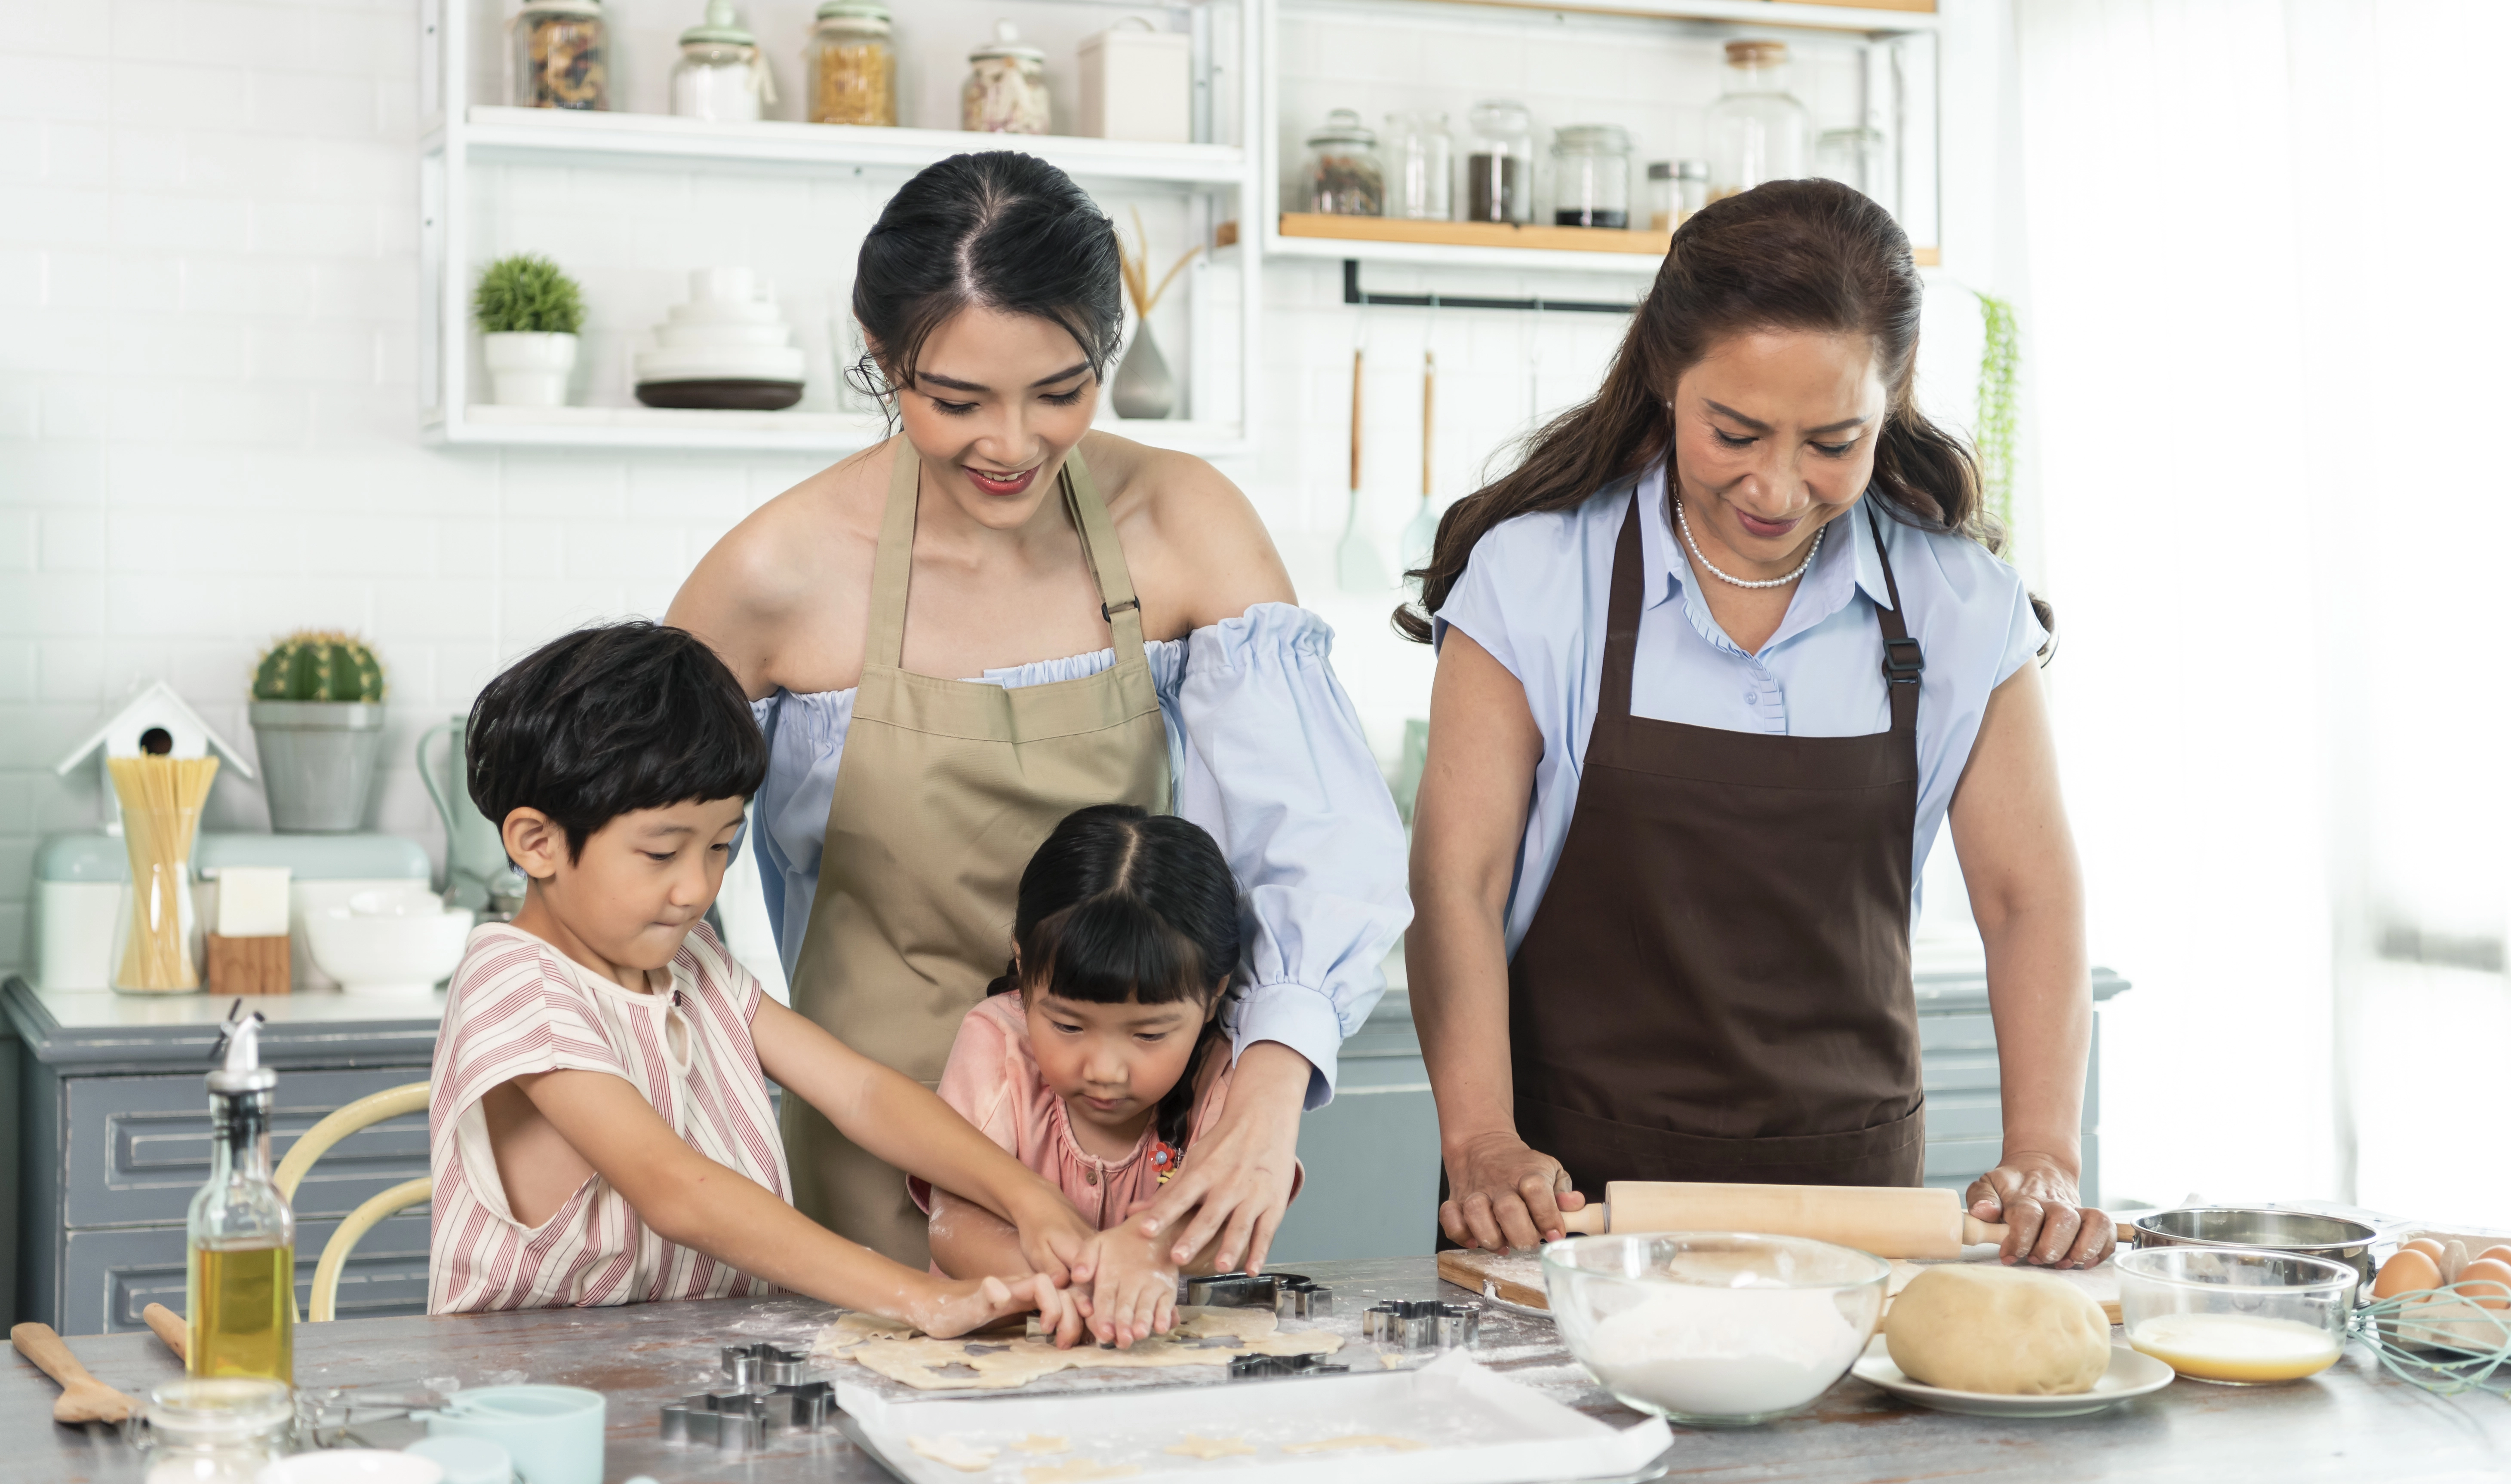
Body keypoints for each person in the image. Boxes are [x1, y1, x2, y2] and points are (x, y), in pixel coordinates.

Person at [667, 152, 1408, 1313]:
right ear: (877, 356)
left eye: (1057, 392)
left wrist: (1265, 1084)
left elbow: (1313, 834)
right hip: (877, 1171)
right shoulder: (775, 577)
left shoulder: (1178, 521)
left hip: (1133, 1176)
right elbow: (637, 890)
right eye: (954, 400)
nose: (1008, 445)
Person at [1402, 179, 2111, 1269]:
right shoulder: (1538, 578)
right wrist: (1481, 1138)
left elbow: (2028, 899)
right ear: (1663, 379)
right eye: (1734, 432)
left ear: (1891, 402)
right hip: (1568, 1214)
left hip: (1849, 1220)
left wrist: (2045, 1152)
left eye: (1834, 442)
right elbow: (1458, 883)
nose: (1777, 489)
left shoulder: (1958, 604)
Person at [426, 621, 1094, 1340]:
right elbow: (675, 1190)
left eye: (721, 846)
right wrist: (916, 1297)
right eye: (661, 853)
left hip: (689, 1354)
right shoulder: (514, 980)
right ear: (538, 842)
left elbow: (861, 1092)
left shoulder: (692, 962)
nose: (694, 888)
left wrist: (1029, 1198)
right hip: (534, 1384)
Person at [922, 804, 1297, 1346]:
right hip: (1001, 1347)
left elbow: (1233, 1220)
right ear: (1023, 967)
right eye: (1069, 1024)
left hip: (1164, 1357)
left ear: (1215, 992)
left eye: (1147, 1035)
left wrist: (1151, 1251)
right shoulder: (996, 1042)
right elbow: (954, 1226)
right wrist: (1079, 1286)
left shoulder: (1234, 1072)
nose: (1103, 1069)